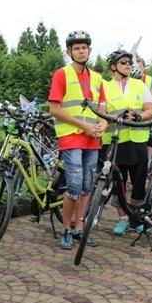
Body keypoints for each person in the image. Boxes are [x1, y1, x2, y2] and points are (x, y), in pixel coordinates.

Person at [48, 30, 107, 249]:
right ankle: (65, 228)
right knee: (73, 185)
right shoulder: (62, 74)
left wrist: (104, 124)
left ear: (90, 51)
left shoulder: (98, 78)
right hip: (71, 137)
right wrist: (84, 126)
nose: (81, 51)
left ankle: (79, 228)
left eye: (84, 48)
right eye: (77, 48)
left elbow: (103, 107)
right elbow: (54, 109)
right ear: (69, 51)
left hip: (92, 139)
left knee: (86, 186)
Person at [102, 50, 152, 235]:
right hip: (115, 142)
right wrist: (117, 117)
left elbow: (150, 110)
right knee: (118, 184)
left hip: (138, 141)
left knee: (139, 183)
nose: (128, 64)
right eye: (123, 61)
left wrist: (138, 116)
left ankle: (135, 219)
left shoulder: (141, 86)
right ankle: (123, 219)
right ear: (113, 66)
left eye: (130, 62)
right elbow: (99, 113)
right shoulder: (104, 87)